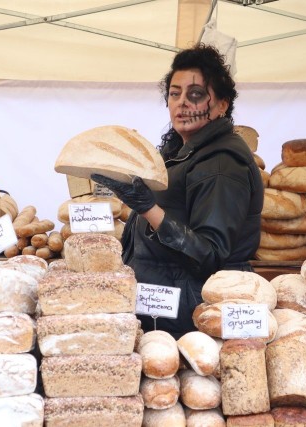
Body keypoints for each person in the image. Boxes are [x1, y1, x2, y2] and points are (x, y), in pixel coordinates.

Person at [91, 44, 264, 338]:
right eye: (174, 93)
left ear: (222, 104)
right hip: (166, 304)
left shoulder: (221, 163)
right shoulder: (181, 152)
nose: (182, 102)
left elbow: (209, 255)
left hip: (187, 313)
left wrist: (148, 208)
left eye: (195, 94)